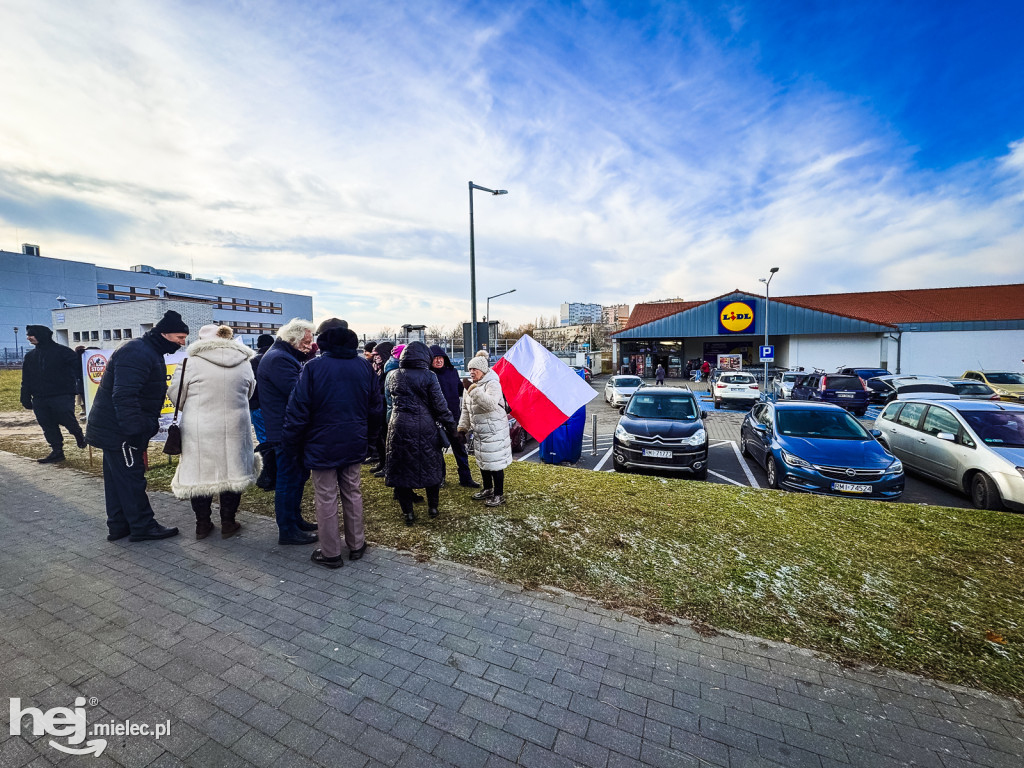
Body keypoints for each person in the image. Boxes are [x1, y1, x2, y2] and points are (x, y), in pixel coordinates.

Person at [85, 310, 188, 542]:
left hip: (113, 427)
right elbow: (124, 395)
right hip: (121, 431)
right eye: (179, 338)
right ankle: (143, 526)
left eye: (184, 339)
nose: (182, 343)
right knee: (132, 478)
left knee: (116, 480)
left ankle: (119, 525)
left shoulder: (147, 350)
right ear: (164, 334)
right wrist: (135, 430)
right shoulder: (138, 352)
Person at [283, 327, 381, 567]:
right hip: (355, 439)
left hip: (321, 443)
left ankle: (330, 552)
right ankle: (357, 545)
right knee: (352, 492)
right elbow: (376, 408)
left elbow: (298, 410)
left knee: (326, 496)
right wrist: (370, 440)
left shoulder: (313, 368)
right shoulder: (364, 367)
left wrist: (291, 443)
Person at [168, 325, 258, 540]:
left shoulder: (190, 362)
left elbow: (176, 395)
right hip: (237, 425)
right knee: (233, 472)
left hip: (199, 427)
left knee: (200, 474)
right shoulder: (244, 362)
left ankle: (202, 523)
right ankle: (228, 521)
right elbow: (250, 391)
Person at [257, 318, 319, 545]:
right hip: (285, 431)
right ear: (292, 339)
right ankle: (287, 529)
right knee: (288, 479)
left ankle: (295, 520)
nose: (309, 346)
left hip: (288, 428)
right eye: (305, 342)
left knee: (297, 477)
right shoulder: (279, 359)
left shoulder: (283, 356)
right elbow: (298, 392)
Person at [385, 342, 458, 525]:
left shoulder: (393, 375)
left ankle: (408, 513)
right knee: (431, 465)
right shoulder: (429, 376)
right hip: (425, 427)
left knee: (402, 469)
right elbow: (440, 406)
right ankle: (433, 507)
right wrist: (453, 429)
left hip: (398, 425)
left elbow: (388, 399)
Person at [20, 324, 85, 463]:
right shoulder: (30, 356)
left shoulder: (63, 352)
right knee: (47, 424)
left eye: (31, 334)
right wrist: (25, 396)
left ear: (41, 335)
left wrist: (79, 356)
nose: (28, 337)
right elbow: (26, 378)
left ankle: (78, 434)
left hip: (62, 394)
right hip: (39, 397)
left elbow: (78, 368)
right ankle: (57, 451)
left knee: (67, 419)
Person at [458, 351, 513, 507]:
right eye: (470, 370)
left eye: (475, 369)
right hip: (480, 431)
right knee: (483, 461)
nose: (472, 372)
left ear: (483, 370)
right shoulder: (469, 386)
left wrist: (472, 389)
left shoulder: (493, 383)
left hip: (494, 430)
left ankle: (499, 494)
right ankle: (488, 489)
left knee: (495, 464)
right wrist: (462, 429)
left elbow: (489, 404)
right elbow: (466, 410)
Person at [429, 344, 480, 488]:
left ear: (445, 359)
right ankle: (440, 478)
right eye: (435, 358)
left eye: (441, 358)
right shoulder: (428, 375)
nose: (438, 361)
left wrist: (472, 387)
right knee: (437, 451)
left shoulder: (452, 372)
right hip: (436, 420)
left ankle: (466, 478)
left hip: (454, 418)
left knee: (460, 449)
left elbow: (459, 390)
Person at [250, 333, 276, 490]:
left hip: (257, 405)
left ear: (258, 345)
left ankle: (267, 474)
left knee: (264, 441)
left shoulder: (254, 361)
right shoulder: (276, 358)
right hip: (273, 406)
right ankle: (274, 472)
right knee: (274, 440)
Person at [368, 341, 394, 476]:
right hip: (379, 408)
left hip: (385, 408)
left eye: (377, 354)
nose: (375, 357)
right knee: (380, 438)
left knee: (386, 440)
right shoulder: (379, 369)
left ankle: (387, 466)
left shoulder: (390, 370)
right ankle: (383, 462)